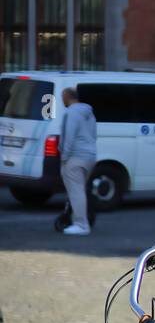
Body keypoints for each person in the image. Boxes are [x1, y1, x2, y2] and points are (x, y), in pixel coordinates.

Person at [59, 87, 96, 236]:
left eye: (62, 97)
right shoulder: (89, 113)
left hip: (75, 156)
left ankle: (81, 225)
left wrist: (64, 158)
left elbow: (69, 137)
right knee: (79, 191)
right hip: (90, 155)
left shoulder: (71, 112)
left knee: (76, 192)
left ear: (67, 97)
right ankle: (79, 222)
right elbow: (94, 135)